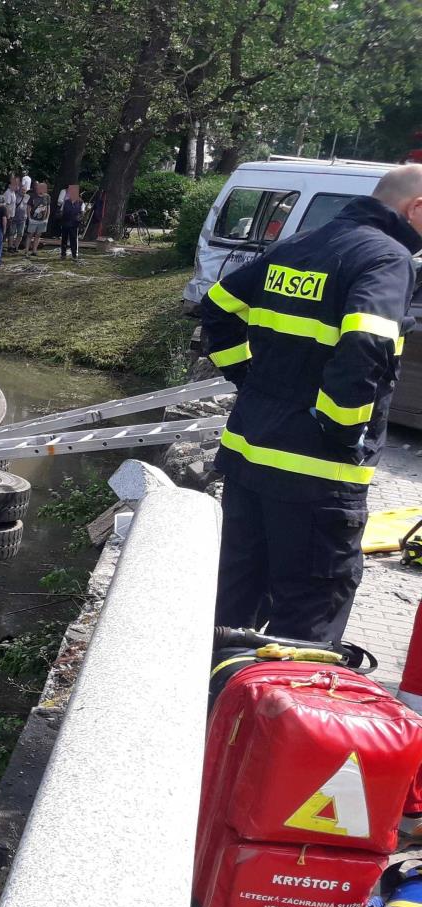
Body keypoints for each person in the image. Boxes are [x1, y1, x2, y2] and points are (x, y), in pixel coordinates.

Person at [201, 164, 422, 642]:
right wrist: (342, 431)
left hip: (248, 458)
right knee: (306, 625)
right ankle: (270, 713)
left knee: (231, 609)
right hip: (317, 480)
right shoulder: (387, 258)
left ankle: (214, 705)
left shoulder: (295, 245)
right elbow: (366, 345)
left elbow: (216, 307)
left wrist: (247, 378)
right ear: (416, 208)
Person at [25, 180, 50, 255]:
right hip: (33, 218)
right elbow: (28, 207)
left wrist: (47, 218)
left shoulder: (47, 197)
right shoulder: (32, 196)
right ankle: (26, 250)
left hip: (42, 219)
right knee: (30, 234)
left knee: (38, 235)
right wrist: (29, 218)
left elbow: (48, 207)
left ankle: (34, 250)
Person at [59, 183, 83, 261]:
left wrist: (78, 219)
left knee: (73, 240)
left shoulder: (81, 202)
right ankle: (63, 254)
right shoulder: (65, 202)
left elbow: (82, 213)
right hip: (65, 222)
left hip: (74, 224)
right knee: (64, 239)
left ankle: (74, 255)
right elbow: (61, 211)